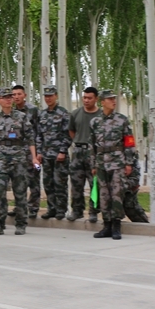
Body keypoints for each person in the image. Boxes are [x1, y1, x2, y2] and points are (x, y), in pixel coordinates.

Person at [0, 87, 37, 235]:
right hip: (2, 158)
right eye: (5, 97)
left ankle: (21, 223)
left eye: (10, 97)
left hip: (19, 157)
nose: (8, 99)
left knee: (20, 191)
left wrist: (34, 157)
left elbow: (30, 138)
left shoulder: (21, 117)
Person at [90, 89, 136, 240]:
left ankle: (116, 225)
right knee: (104, 195)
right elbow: (92, 145)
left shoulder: (122, 120)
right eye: (110, 99)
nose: (113, 101)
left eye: (114, 99)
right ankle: (106, 225)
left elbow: (129, 142)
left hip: (117, 162)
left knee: (117, 193)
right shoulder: (95, 122)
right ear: (102, 102)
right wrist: (93, 164)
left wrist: (129, 163)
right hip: (101, 162)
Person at [36, 85, 71, 220]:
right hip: (46, 155)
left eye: (50, 96)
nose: (48, 98)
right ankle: (51, 208)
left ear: (56, 96)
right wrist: (39, 152)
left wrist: (62, 151)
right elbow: (39, 135)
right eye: (46, 96)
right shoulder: (42, 115)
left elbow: (68, 134)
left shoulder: (63, 113)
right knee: (48, 183)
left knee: (60, 183)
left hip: (59, 156)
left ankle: (61, 209)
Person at [68, 86, 100, 222]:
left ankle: (93, 211)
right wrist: (79, 141)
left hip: (94, 152)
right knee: (76, 183)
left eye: (89, 98)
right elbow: (71, 131)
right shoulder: (75, 114)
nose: (86, 100)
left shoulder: (100, 116)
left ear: (96, 99)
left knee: (94, 184)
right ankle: (77, 210)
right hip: (78, 151)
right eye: (84, 98)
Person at [12, 85, 41, 219]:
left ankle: (34, 207)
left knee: (33, 181)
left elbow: (39, 132)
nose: (16, 97)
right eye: (14, 95)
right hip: (17, 152)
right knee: (18, 181)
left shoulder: (33, 110)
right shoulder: (11, 112)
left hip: (31, 151)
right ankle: (20, 207)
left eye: (19, 94)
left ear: (25, 95)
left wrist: (38, 152)